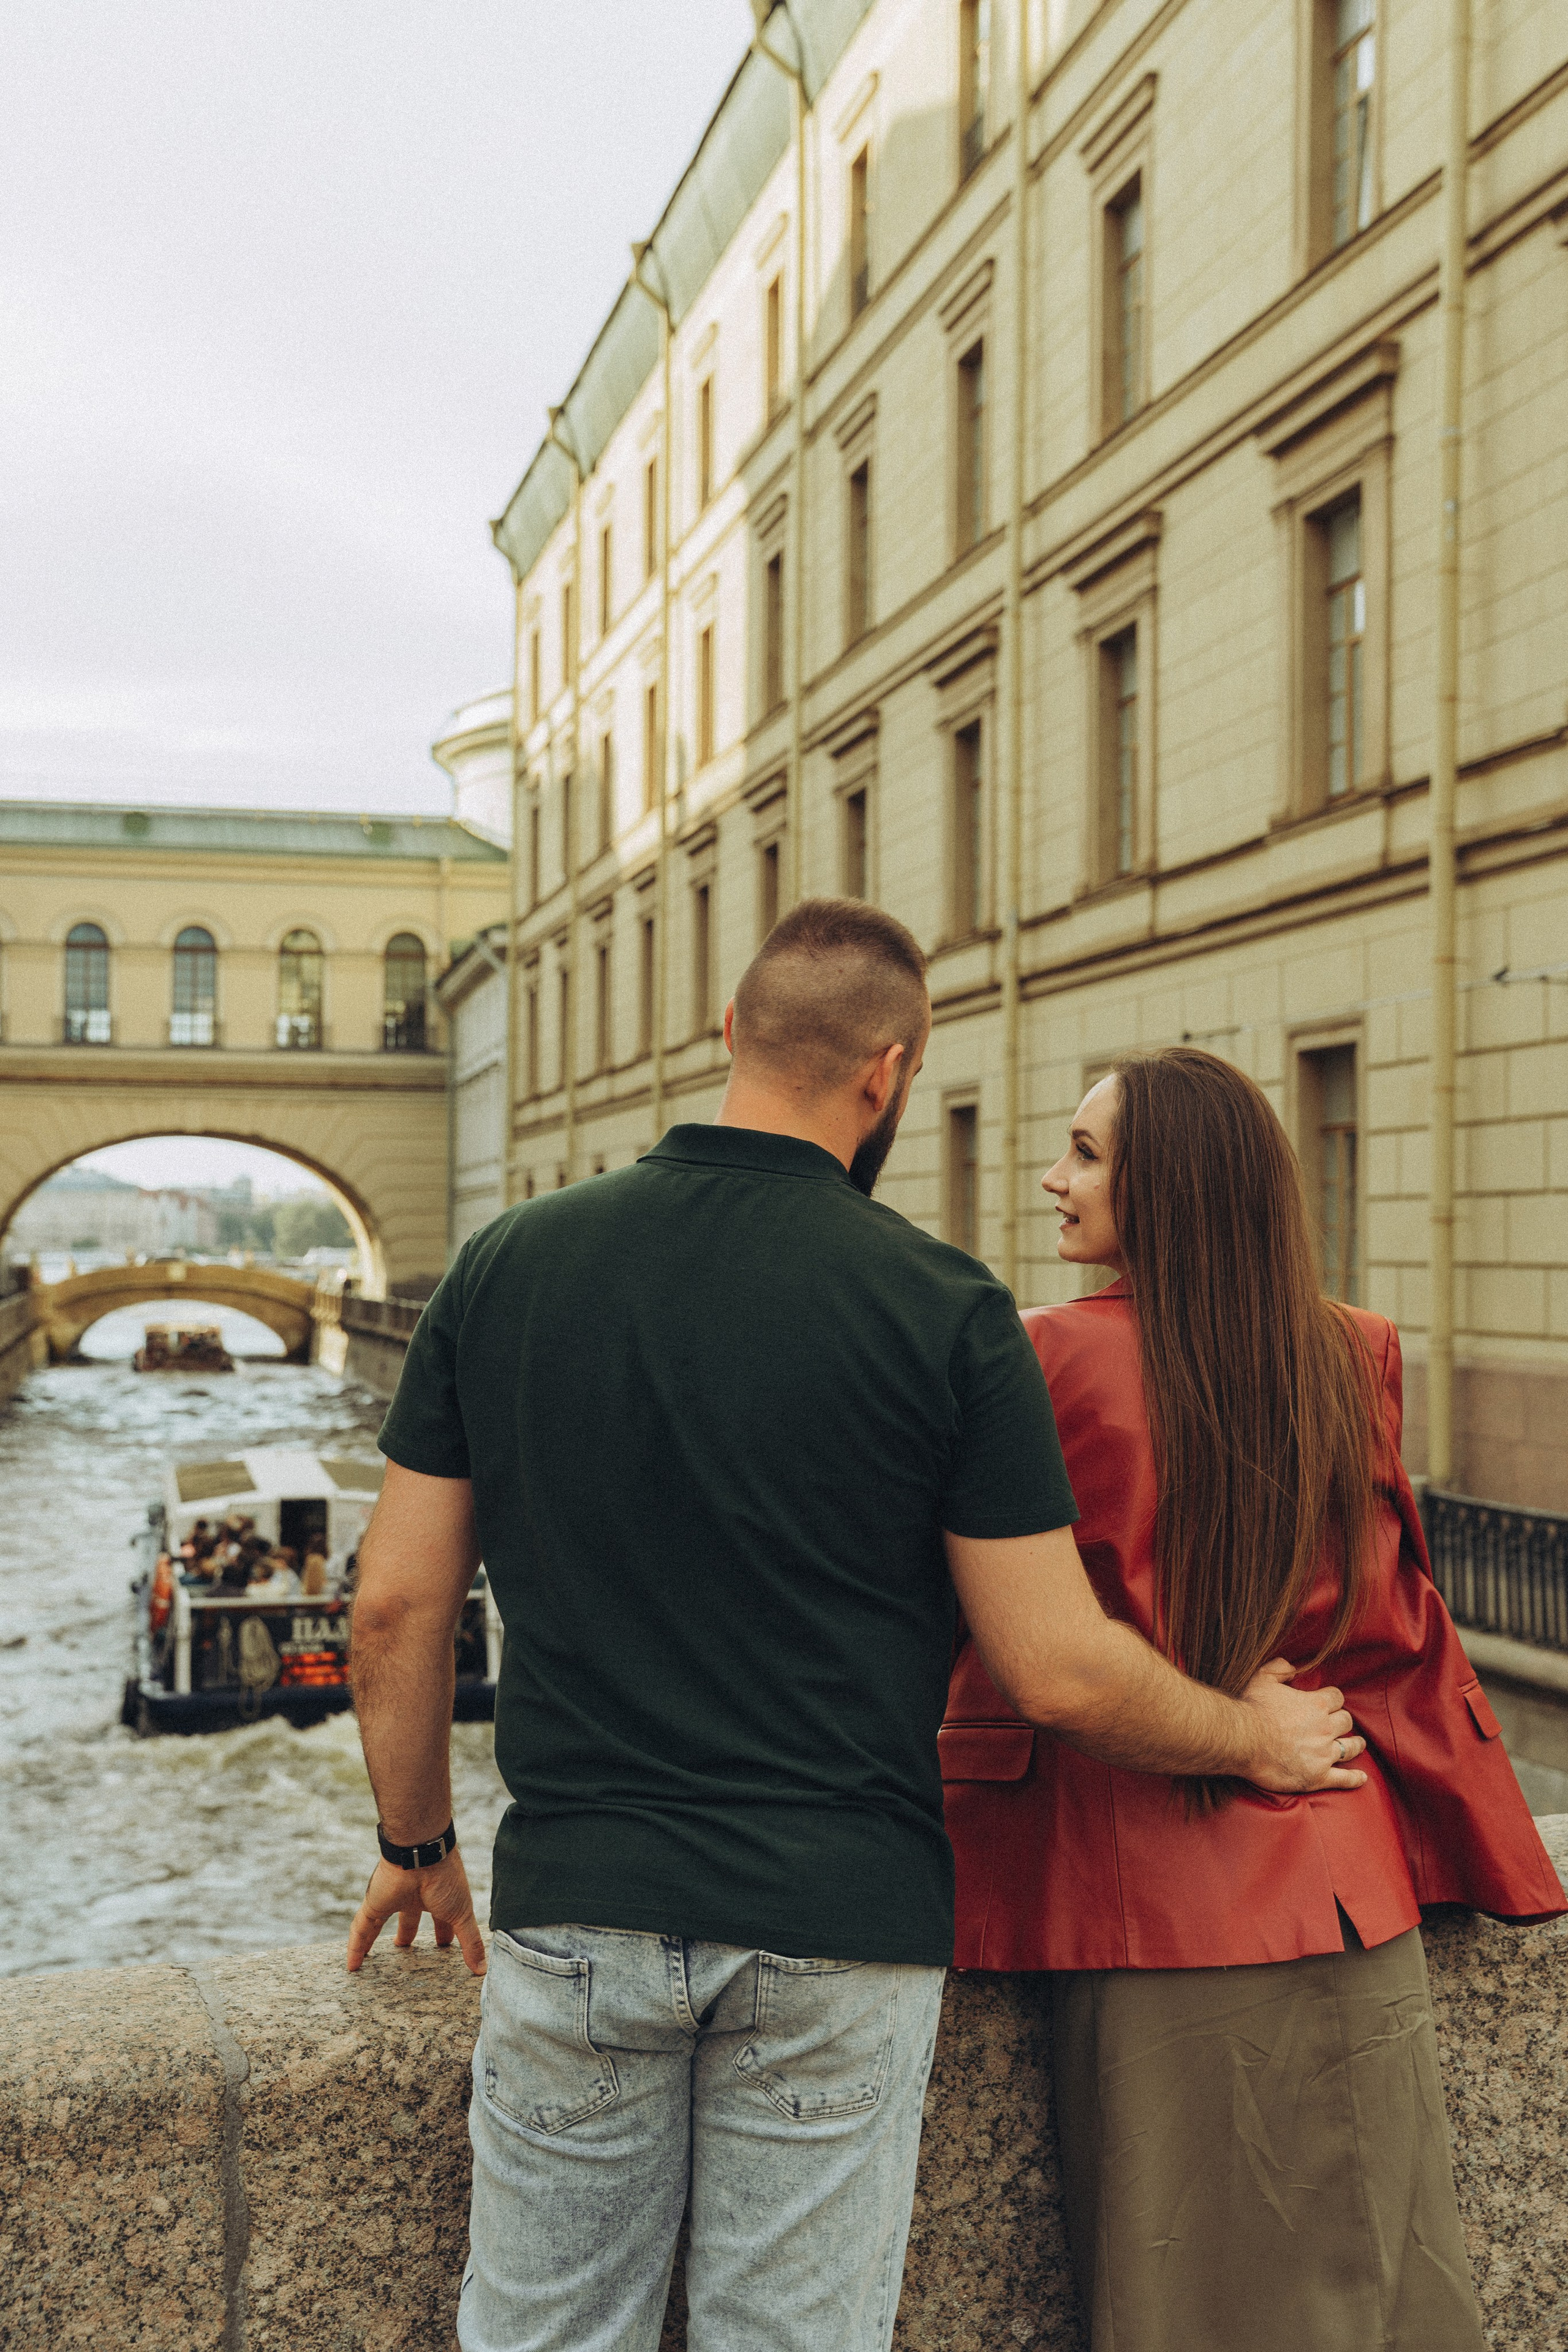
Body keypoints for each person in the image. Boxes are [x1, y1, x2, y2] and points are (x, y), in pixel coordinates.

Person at [345, 902, 1365, 2352]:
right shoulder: (942, 1310)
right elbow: (1056, 1670)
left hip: (579, 1903)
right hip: (839, 1921)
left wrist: (416, 1845)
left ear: (727, 1036)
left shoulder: (505, 1266)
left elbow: (393, 1609)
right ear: (888, 1074)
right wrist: (1249, 1738)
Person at [941, 1049, 1567, 2352]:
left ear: (1167, 1185)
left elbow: (1004, 1642)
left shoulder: (1041, 1358)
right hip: (1346, 1877)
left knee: (1182, 2301)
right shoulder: (1352, 1350)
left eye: (1085, 1154)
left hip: (1152, 1898)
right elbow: (1392, 1631)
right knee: (1385, 2292)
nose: (1053, 1179)